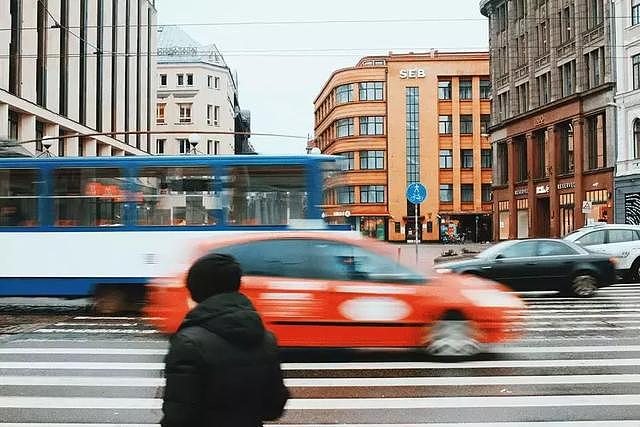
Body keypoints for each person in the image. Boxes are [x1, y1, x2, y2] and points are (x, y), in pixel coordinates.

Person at [161, 253, 289, 427]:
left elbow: (178, 416)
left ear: (196, 291)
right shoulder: (266, 340)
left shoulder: (188, 344)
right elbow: (273, 408)